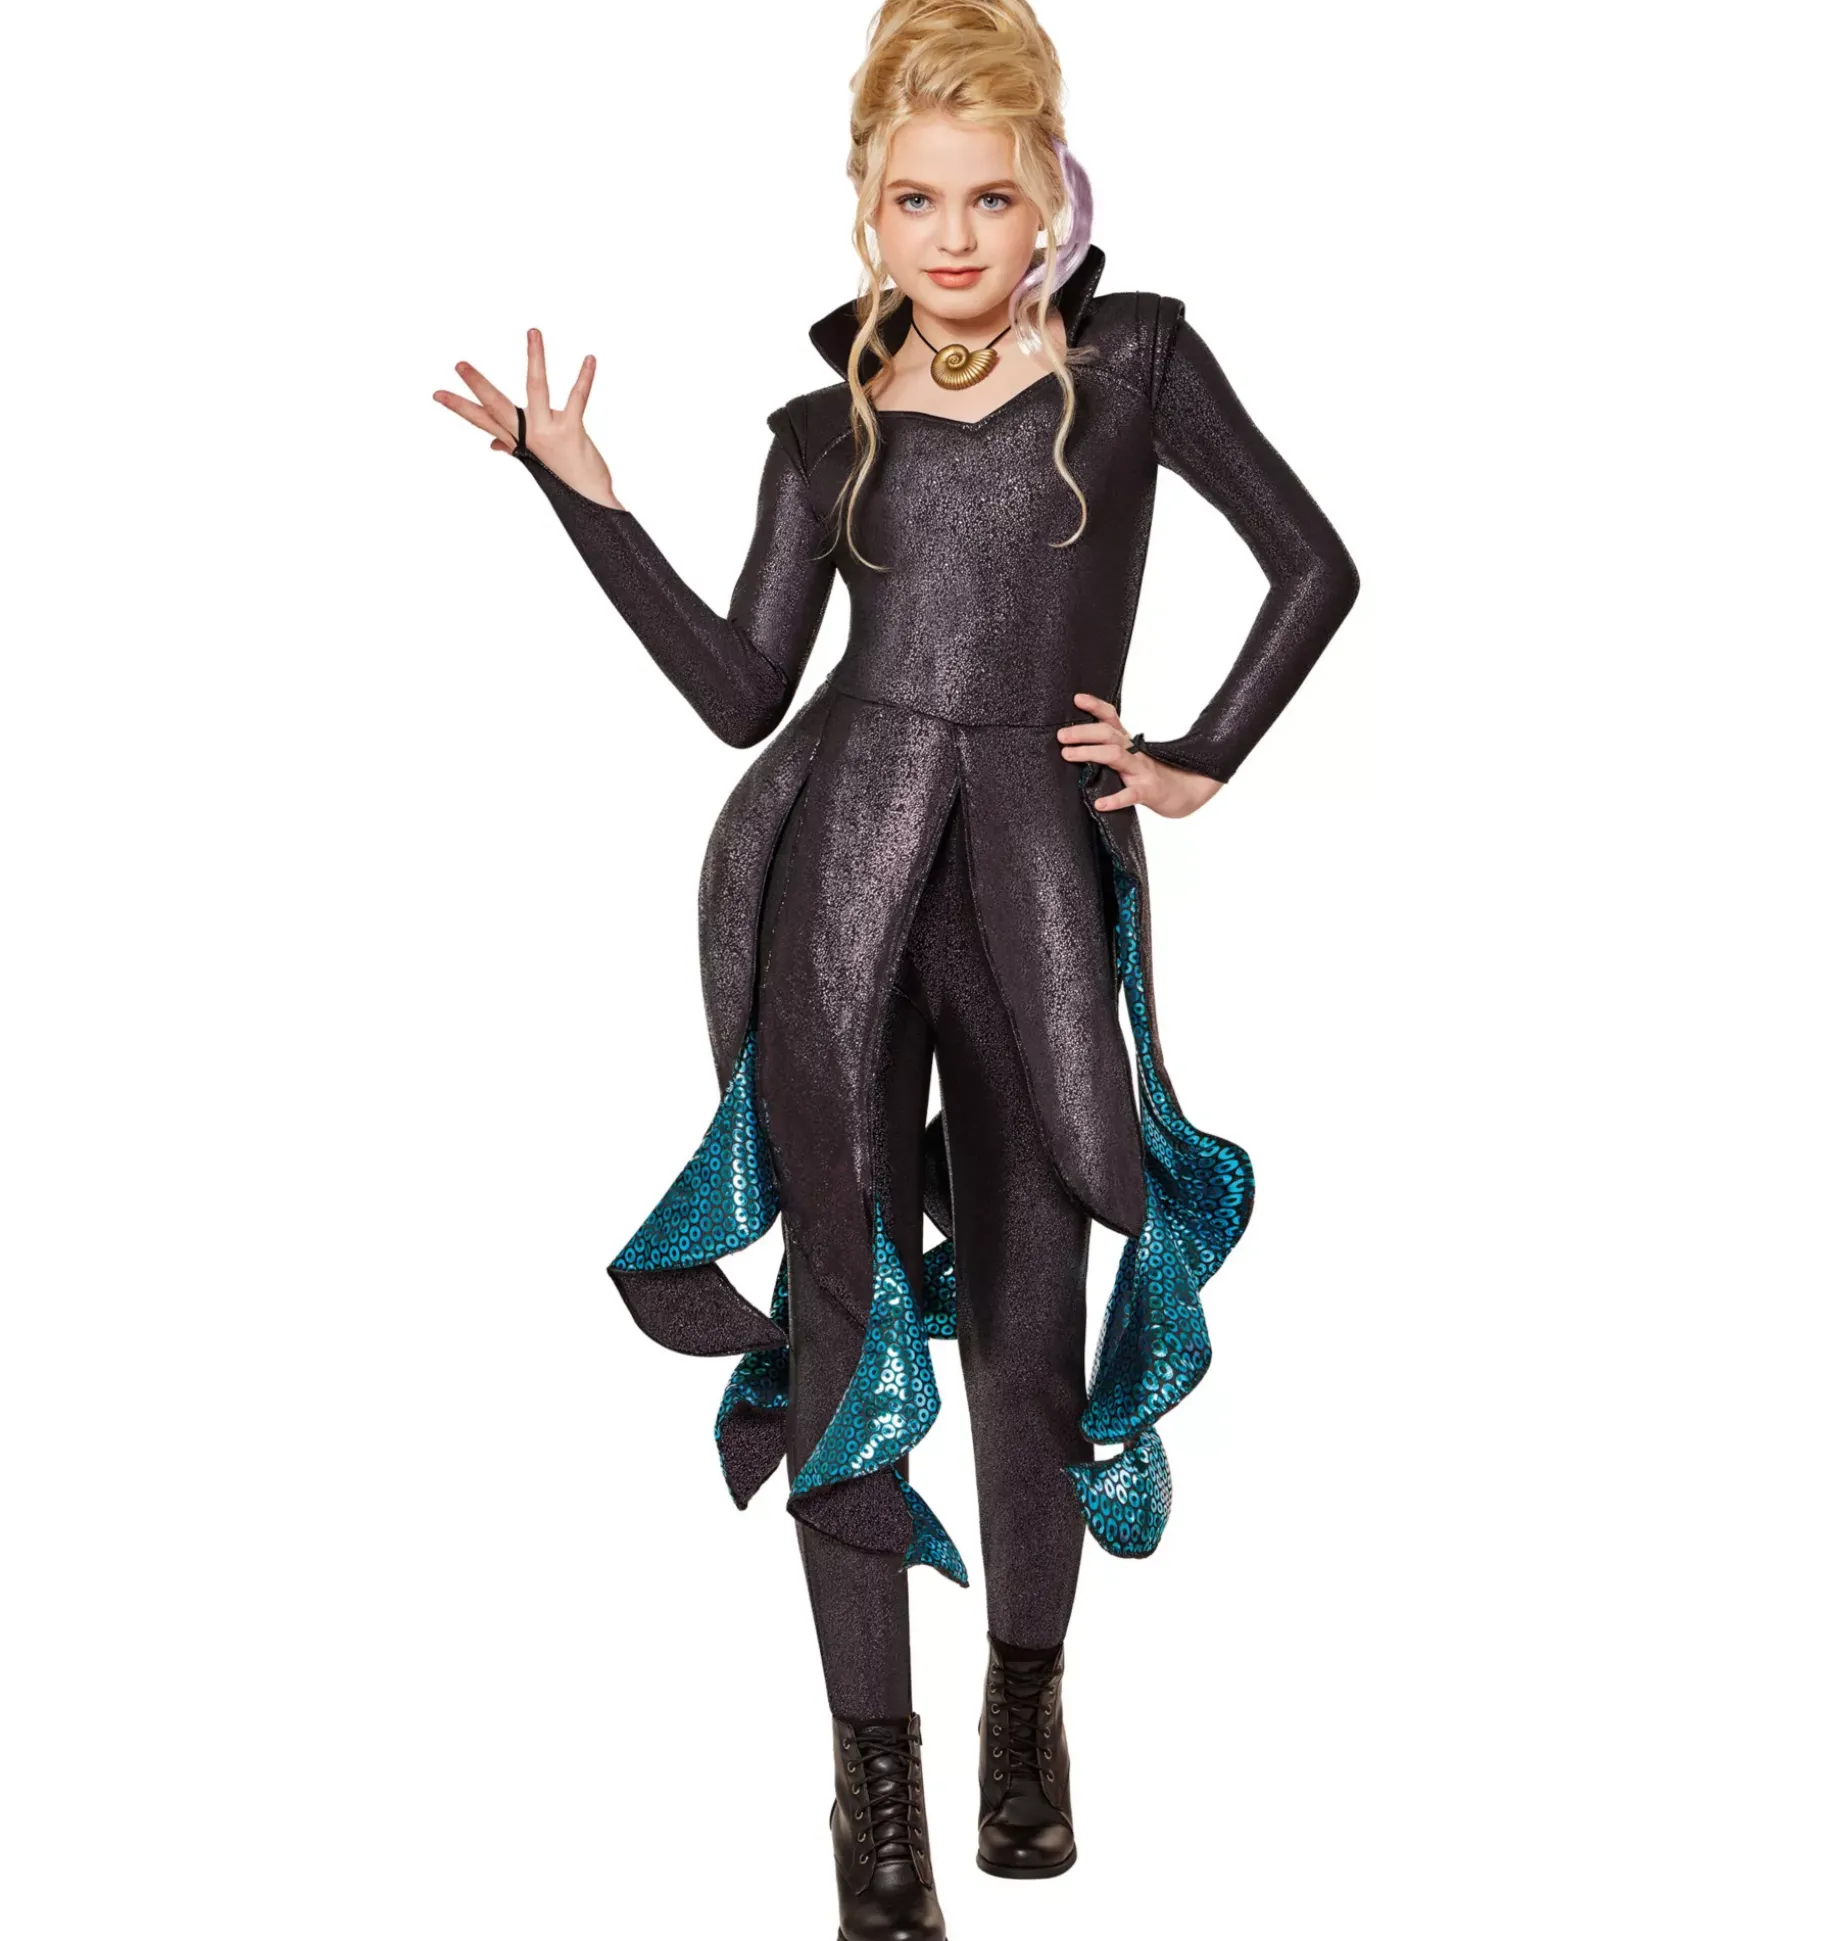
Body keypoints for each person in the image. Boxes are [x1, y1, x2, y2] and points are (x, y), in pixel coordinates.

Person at [432, 3, 1359, 1932]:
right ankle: (874, 1793)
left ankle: (1025, 1698)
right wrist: (582, 494)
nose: (952, 235)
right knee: (847, 1318)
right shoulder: (820, 433)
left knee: (1029, 1318)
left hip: (1033, 891)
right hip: (837, 894)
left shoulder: (1134, 366)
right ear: (867, 208)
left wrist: (1195, 757)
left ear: (1051, 199)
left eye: (989, 198)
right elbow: (740, 691)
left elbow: (1313, 562)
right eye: (914, 199)